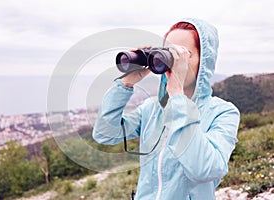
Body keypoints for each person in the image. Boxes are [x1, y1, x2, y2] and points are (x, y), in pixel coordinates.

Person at [92, 18, 240, 200]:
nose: (175, 60)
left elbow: (205, 169)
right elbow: (105, 134)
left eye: (183, 54)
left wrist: (177, 97)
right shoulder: (152, 108)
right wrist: (126, 84)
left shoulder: (223, 112)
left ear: (204, 61)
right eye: (169, 52)